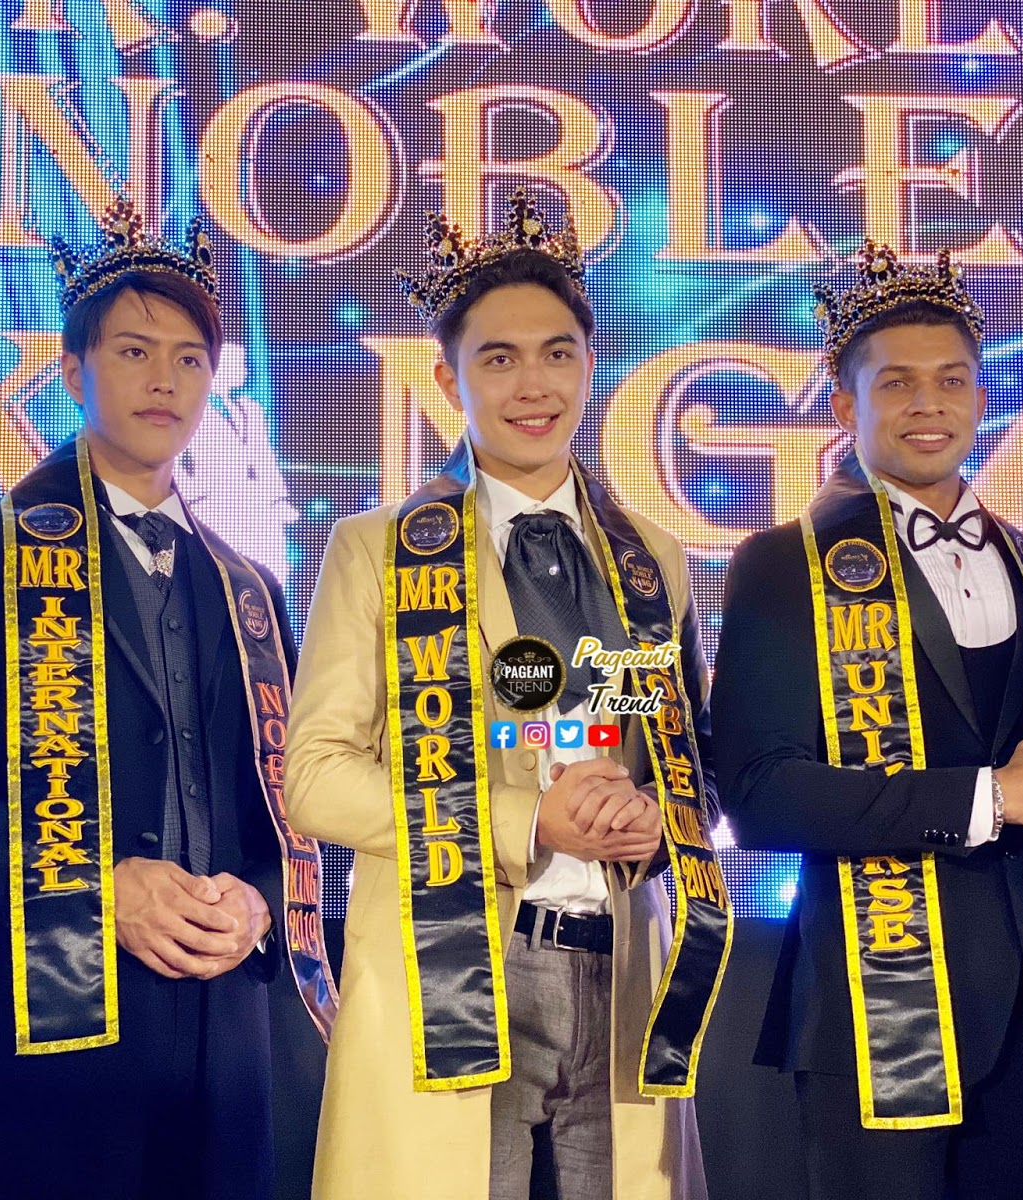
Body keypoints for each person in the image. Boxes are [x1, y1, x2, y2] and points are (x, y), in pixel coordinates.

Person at [0, 197, 335, 1200]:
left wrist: (256, 898)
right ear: (73, 372)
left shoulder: (249, 587)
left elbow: (282, 804)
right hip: (49, 1037)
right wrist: (98, 884)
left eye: (190, 359)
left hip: (224, 1042)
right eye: (134, 352)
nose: (165, 379)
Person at [284, 191, 732, 1200]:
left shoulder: (652, 558)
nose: (534, 385)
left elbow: (693, 769)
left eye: (557, 353)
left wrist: (654, 818)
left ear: (589, 363)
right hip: (454, 965)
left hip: (622, 964)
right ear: (448, 377)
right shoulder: (377, 549)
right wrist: (528, 821)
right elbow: (312, 780)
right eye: (499, 358)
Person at [712, 242, 1023, 1200]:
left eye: (950, 380)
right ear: (844, 408)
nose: (927, 404)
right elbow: (759, 793)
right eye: (896, 383)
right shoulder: (782, 563)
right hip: (872, 1008)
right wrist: (997, 797)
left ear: (981, 399)